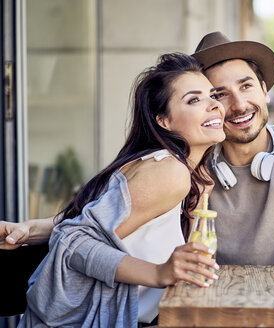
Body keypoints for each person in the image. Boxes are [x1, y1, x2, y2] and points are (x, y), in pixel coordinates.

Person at [1, 1, 274, 268]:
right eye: (218, 94)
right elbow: (101, 216)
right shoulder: (187, 169)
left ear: (266, 92)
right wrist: (31, 229)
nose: (236, 104)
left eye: (247, 86)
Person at [17, 53, 224, 327]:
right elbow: (73, 240)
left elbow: (94, 220)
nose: (214, 106)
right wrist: (159, 273)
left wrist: (32, 229)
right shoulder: (170, 171)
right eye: (194, 99)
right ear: (164, 120)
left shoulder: (192, 176)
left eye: (212, 95)